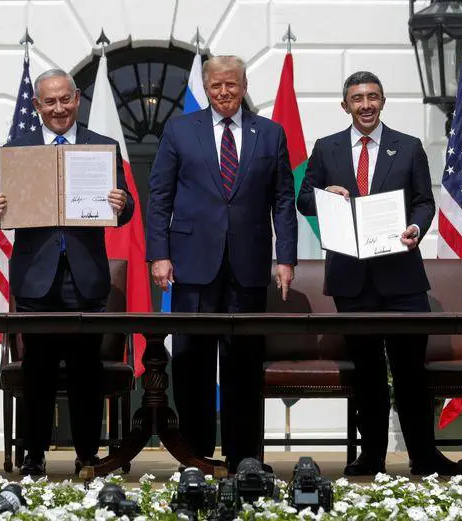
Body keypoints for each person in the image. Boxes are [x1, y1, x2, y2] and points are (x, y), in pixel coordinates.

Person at [297, 71, 462, 476]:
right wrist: (323, 197)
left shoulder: (408, 147)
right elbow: (303, 199)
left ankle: (424, 456)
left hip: (402, 278)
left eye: (373, 96)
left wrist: (416, 228)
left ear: (383, 101)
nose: (366, 104)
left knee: (410, 374)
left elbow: (425, 203)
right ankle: (372, 456)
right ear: (345, 105)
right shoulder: (326, 148)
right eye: (357, 98)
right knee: (368, 375)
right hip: (352, 280)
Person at [146, 55, 298, 472]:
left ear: (245, 85)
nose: (224, 93)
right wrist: (159, 254)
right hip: (192, 266)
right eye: (216, 86)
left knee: (243, 365)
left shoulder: (269, 134)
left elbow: (284, 199)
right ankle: (193, 455)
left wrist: (286, 257)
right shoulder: (179, 131)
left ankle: (243, 456)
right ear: (207, 88)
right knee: (192, 363)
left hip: (248, 267)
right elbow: (159, 196)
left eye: (232, 85)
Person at [0, 69, 135, 476]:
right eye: (49, 102)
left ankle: (88, 456)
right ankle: (33, 457)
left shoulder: (102, 147)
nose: (58, 109)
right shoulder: (18, 149)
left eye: (65, 100)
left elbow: (124, 214)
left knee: (87, 373)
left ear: (77, 99)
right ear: (36, 106)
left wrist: (121, 203)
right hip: (36, 278)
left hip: (84, 277)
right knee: (39, 374)